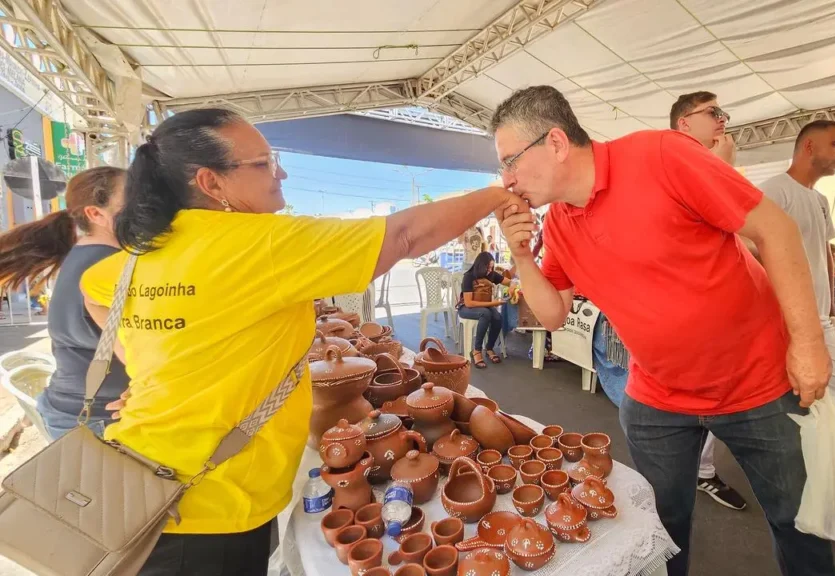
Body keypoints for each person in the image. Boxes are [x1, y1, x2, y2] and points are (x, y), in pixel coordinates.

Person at [78, 108, 525, 574]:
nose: (282, 174)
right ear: (211, 182)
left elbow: (92, 294)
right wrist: (496, 194)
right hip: (210, 504)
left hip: (130, 479)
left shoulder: (139, 255)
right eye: (265, 163)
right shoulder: (257, 242)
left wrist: (146, 372)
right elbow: (404, 235)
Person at [492, 85, 835, 576]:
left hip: (757, 383)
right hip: (658, 396)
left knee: (797, 524)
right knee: (661, 527)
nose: (506, 179)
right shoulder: (561, 223)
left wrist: (808, 342)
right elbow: (551, 316)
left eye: (510, 161)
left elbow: (774, 228)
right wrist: (522, 255)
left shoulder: (661, 155)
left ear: (556, 142)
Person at [0, 167, 129, 439]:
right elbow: (138, 353)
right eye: (134, 197)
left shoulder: (82, 254)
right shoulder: (110, 265)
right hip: (99, 419)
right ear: (96, 214)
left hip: (72, 411)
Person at [757, 120, 835, 430]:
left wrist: (833, 312)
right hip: (784, 318)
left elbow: (826, 255)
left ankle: (814, 455)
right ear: (808, 147)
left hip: (819, 319)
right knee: (755, 397)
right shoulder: (774, 190)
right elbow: (753, 251)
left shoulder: (819, 200)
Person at [669, 91, 746, 510]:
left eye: (722, 112)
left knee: (715, 394)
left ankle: (696, 472)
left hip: (710, 307)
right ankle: (691, 475)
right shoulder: (673, 168)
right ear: (684, 123)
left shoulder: (699, 168)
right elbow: (704, 226)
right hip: (686, 309)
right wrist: (722, 169)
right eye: (713, 112)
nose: (722, 119)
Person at [458, 252, 511, 368]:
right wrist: (494, 303)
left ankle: (489, 348)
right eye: (488, 267)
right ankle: (476, 350)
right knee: (485, 313)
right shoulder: (469, 276)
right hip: (466, 308)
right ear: (481, 266)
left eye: (492, 267)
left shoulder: (491, 274)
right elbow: (469, 303)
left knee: (498, 317)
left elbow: (508, 282)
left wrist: (515, 285)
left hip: (484, 306)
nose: (490, 270)